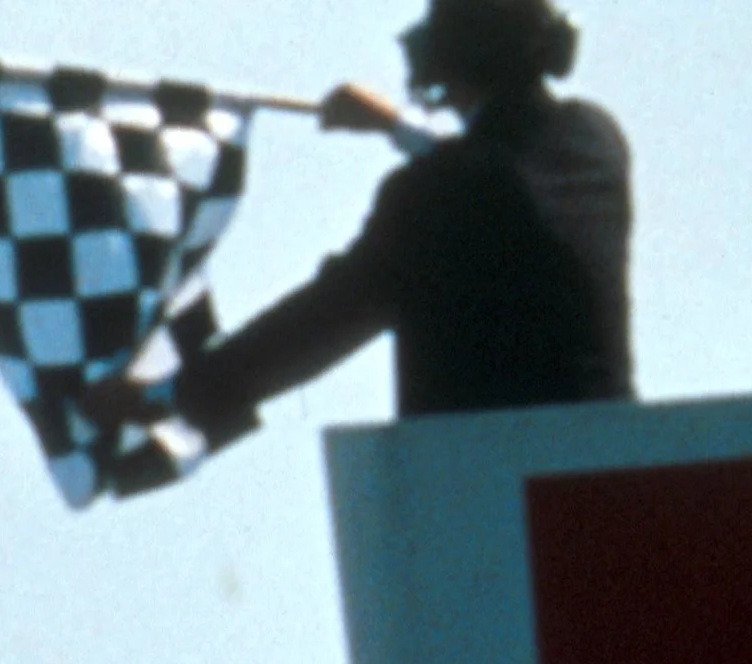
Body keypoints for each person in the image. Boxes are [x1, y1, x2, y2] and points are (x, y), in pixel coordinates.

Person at [88, 0, 629, 440]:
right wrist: (396, 126)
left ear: (443, 58)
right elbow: (501, 174)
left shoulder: (434, 194)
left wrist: (168, 397)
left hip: (481, 483)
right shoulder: (595, 144)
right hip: (605, 474)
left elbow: (320, 325)